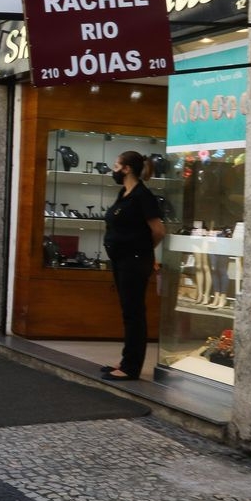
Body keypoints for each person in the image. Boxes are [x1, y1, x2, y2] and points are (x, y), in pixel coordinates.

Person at [101, 151, 166, 381]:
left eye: (116, 166)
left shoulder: (142, 196)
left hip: (135, 261)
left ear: (126, 169)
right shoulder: (124, 193)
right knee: (128, 311)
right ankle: (126, 359)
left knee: (134, 313)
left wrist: (143, 249)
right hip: (122, 259)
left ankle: (131, 367)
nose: (114, 170)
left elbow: (158, 230)